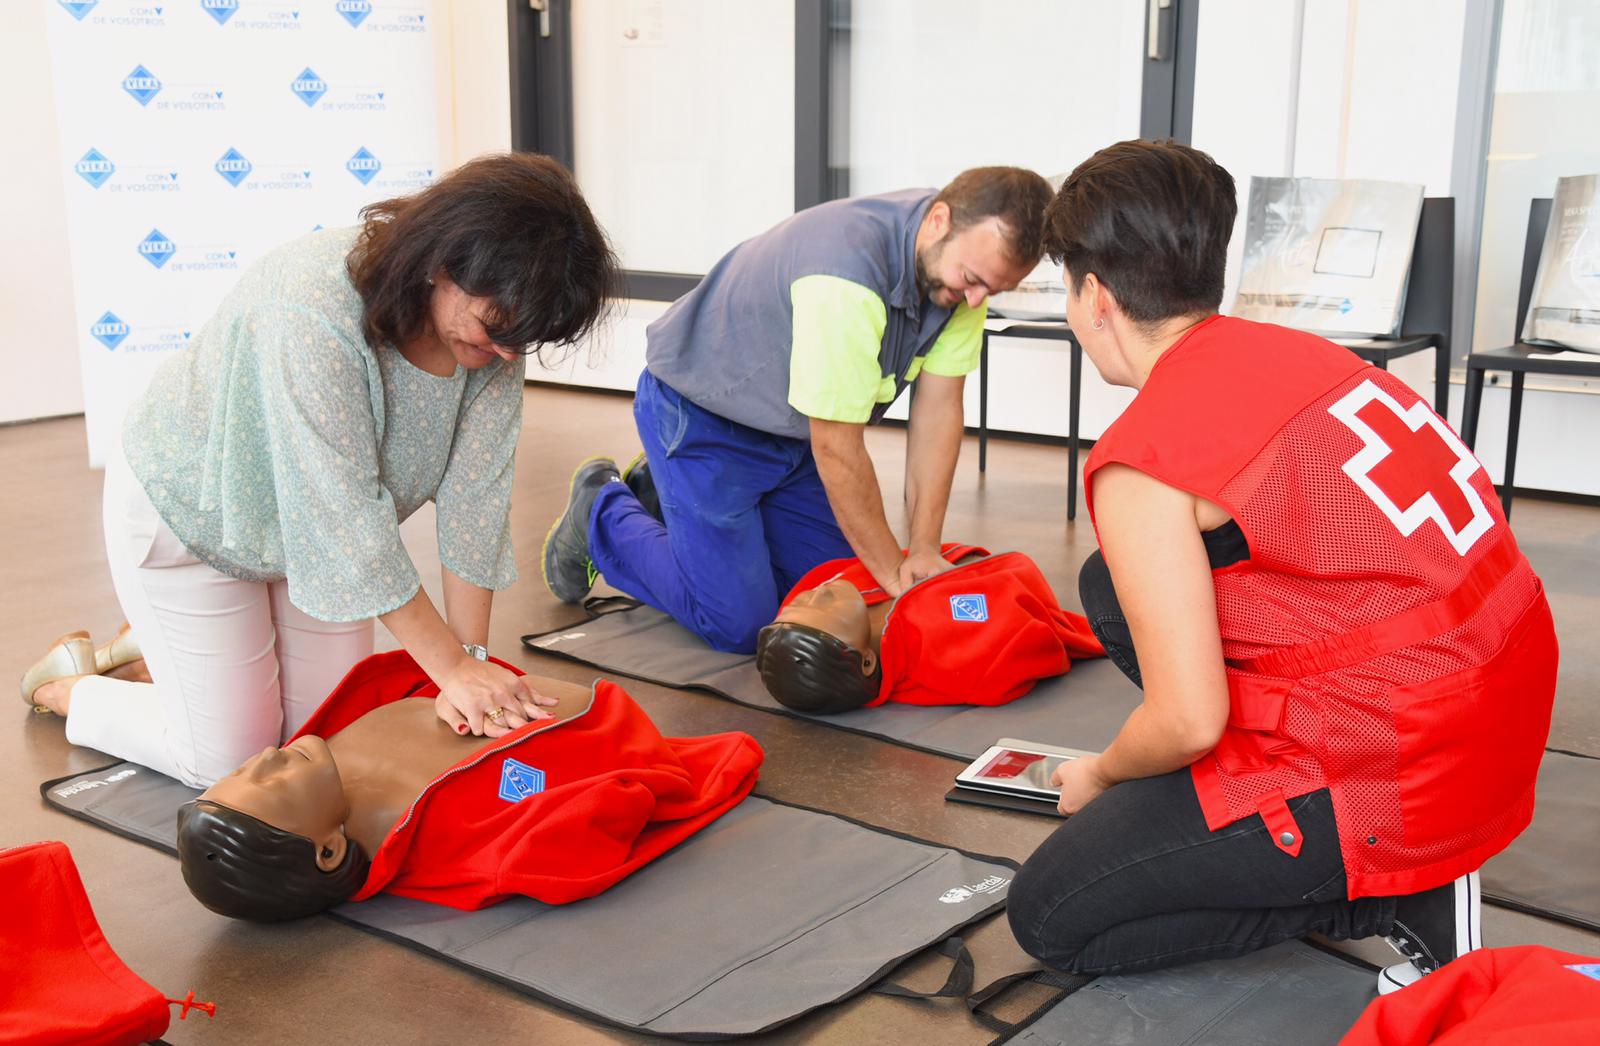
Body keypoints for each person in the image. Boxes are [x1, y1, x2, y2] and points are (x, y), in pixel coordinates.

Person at [1003, 140, 1558, 993]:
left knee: (1050, 916)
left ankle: (1387, 903)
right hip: (1499, 705)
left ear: (1096, 295)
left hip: (1401, 766)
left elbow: (1188, 721)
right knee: (1108, 588)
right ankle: (1268, 806)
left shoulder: (1144, 457)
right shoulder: (1304, 355)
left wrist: (1104, 770)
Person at [19, 153, 620, 789]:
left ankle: (162, 657)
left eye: (521, 340)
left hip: (304, 548)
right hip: (192, 525)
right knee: (235, 763)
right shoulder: (312, 308)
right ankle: (71, 686)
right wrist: (447, 671)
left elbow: (477, 500)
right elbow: (347, 520)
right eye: (496, 328)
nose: (505, 353)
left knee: (320, 743)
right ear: (445, 263)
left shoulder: (494, 335)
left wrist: (468, 660)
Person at [541, 168, 1054, 653]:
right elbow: (836, 445)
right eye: (972, 279)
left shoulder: (959, 277)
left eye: (994, 289)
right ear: (939, 220)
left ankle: (667, 498)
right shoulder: (847, 277)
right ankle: (602, 512)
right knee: (740, 625)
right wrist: (895, 575)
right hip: (702, 420)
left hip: (788, 435)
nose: (975, 300)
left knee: (834, 598)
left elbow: (938, 414)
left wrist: (922, 549)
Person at [175, 651, 763, 921]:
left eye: (240, 770)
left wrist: (463, 665)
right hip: (606, 727)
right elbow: (571, 849)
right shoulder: (452, 846)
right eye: (266, 784)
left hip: (495, 684)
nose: (264, 756)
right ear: (328, 849)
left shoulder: (321, 759)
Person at [755, 544, 1102, 714]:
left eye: (801, 602)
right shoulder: (943, 653)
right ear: (865, 662)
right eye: (822, 607)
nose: (817, 592)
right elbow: (1021, 639)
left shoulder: (821, 593)